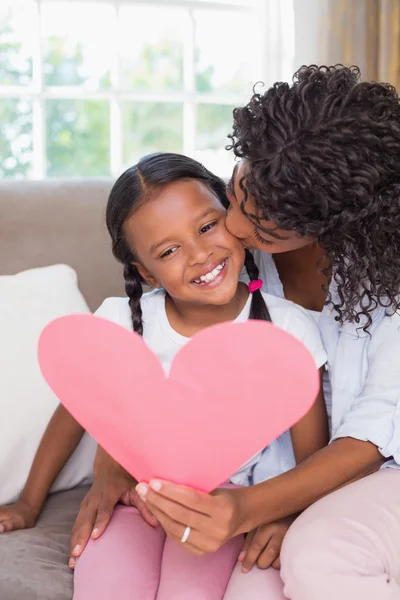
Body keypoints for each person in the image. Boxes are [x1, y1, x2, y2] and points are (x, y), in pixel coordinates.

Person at [70, 65, 400, 600]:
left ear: (330, 226)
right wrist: (113, 460)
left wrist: (269, 505)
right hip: (257, 479)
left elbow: (372, 433)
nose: (236, 227)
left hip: (369, 472)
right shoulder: (221, 255)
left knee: (305, 563)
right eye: (238, 193)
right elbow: (133, 363)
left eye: (265, 226)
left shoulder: (385, 286)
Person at [0, 153, 328, 600]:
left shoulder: (289, 331)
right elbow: (77, 409)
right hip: (136, 498)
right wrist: (28, 502)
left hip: (224, 506)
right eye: (169, 251)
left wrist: (285, 514)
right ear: (146, 272)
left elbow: (313, 456)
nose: (200, 255)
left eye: (207, 226)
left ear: (233, 216)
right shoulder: (123, 322)